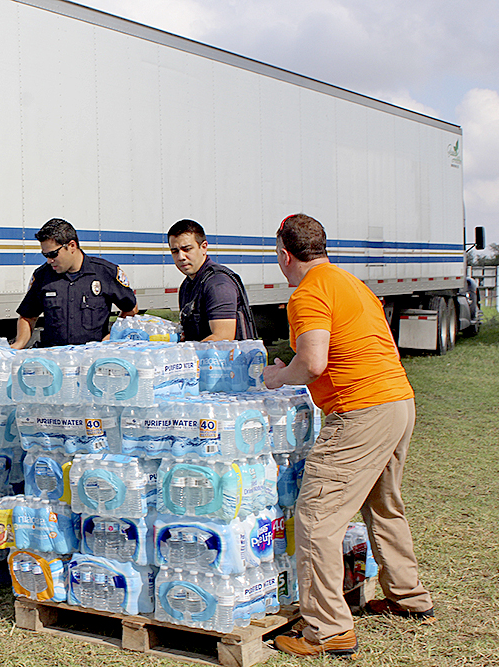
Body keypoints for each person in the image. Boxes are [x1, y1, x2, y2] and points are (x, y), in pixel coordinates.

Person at [263, 213, 434, 659]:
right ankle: (407, 595)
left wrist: (278, 377)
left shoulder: (308, 293)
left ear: (285, 255)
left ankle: (328, 630)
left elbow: (313, 362)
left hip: (361, 411)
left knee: (316, 517)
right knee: (383, 503)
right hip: (397, 401)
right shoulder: (351, 283)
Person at [12, 218, 137, 349]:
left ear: (72, 246)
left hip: (93, 356)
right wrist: (18, 344)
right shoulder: (42, 276)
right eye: (45, 255)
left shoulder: (105, 273)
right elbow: (28, 317)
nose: (49, 260)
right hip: (54, 357)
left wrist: (113, 336)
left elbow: (131, 308)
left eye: (53, 254)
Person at [168, 219, 257, 341]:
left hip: (225, 354)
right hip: (203, 353)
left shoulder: (218, 283)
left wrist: (185, 351)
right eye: (175, 251)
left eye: (187, 249)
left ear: (204, 247)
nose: (181, 257)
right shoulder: (187, 285)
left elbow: (223, 338)